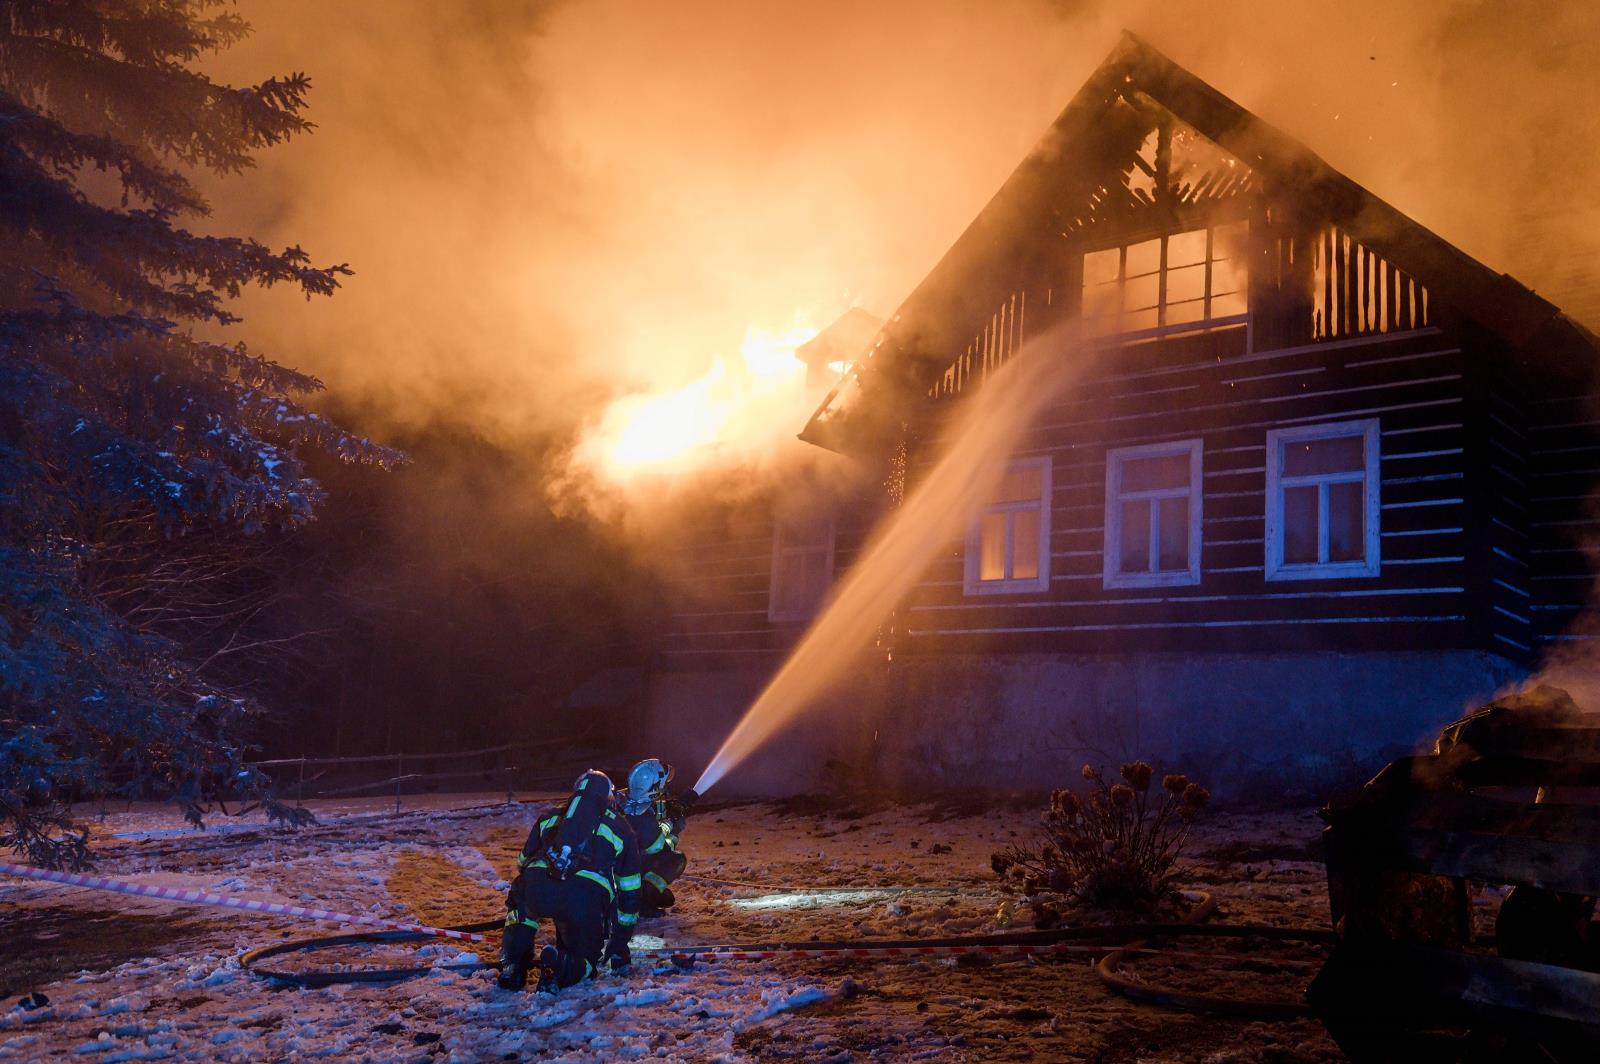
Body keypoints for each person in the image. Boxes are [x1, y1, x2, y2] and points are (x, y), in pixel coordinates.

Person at [499, 769, 641, 992]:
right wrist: (620, 940)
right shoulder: (621, 828)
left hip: (538, 889)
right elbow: (630, 889)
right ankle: (560, 966)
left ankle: (513, 966)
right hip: (584, 900)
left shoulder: (550, 817)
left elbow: (522, 861)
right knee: (587, 962)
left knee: (520, 899)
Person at [620, 758, 695, 916]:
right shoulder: (641, 816)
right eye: (662, 783)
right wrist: (673, 825)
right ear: (654, 786)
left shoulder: (627, 800)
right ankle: (643, 901)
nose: (665, 787)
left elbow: (655, 810)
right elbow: (658, 847)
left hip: (616, 872)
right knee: (674, 859)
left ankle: (643, 893)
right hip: (627, 877)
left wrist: (677, 805)